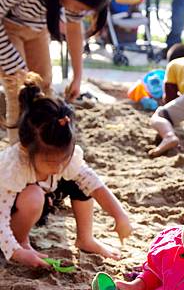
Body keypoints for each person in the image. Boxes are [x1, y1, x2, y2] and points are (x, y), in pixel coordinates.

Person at [0, 75, 133, 268]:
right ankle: (21, 242)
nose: (58, 167)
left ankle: (85, 238)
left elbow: (95, 185)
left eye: (64, 160)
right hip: (8, 215)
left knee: (79, 181)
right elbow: (1, 221)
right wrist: (17, 252)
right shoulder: (13, 168)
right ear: (26, 150)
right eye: (50, 162)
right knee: (34, 195)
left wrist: (120, 215)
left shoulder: (63, 161)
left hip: (38, 201)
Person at [0, 0, 112, 144]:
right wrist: (17, 67)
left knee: (43, 88)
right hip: (6, 25)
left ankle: (43, 150)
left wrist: (77, 77)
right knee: (19, 90)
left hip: (37, 27)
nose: (79, 13)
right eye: (80, 8)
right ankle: (17, 157)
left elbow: (74, 27)